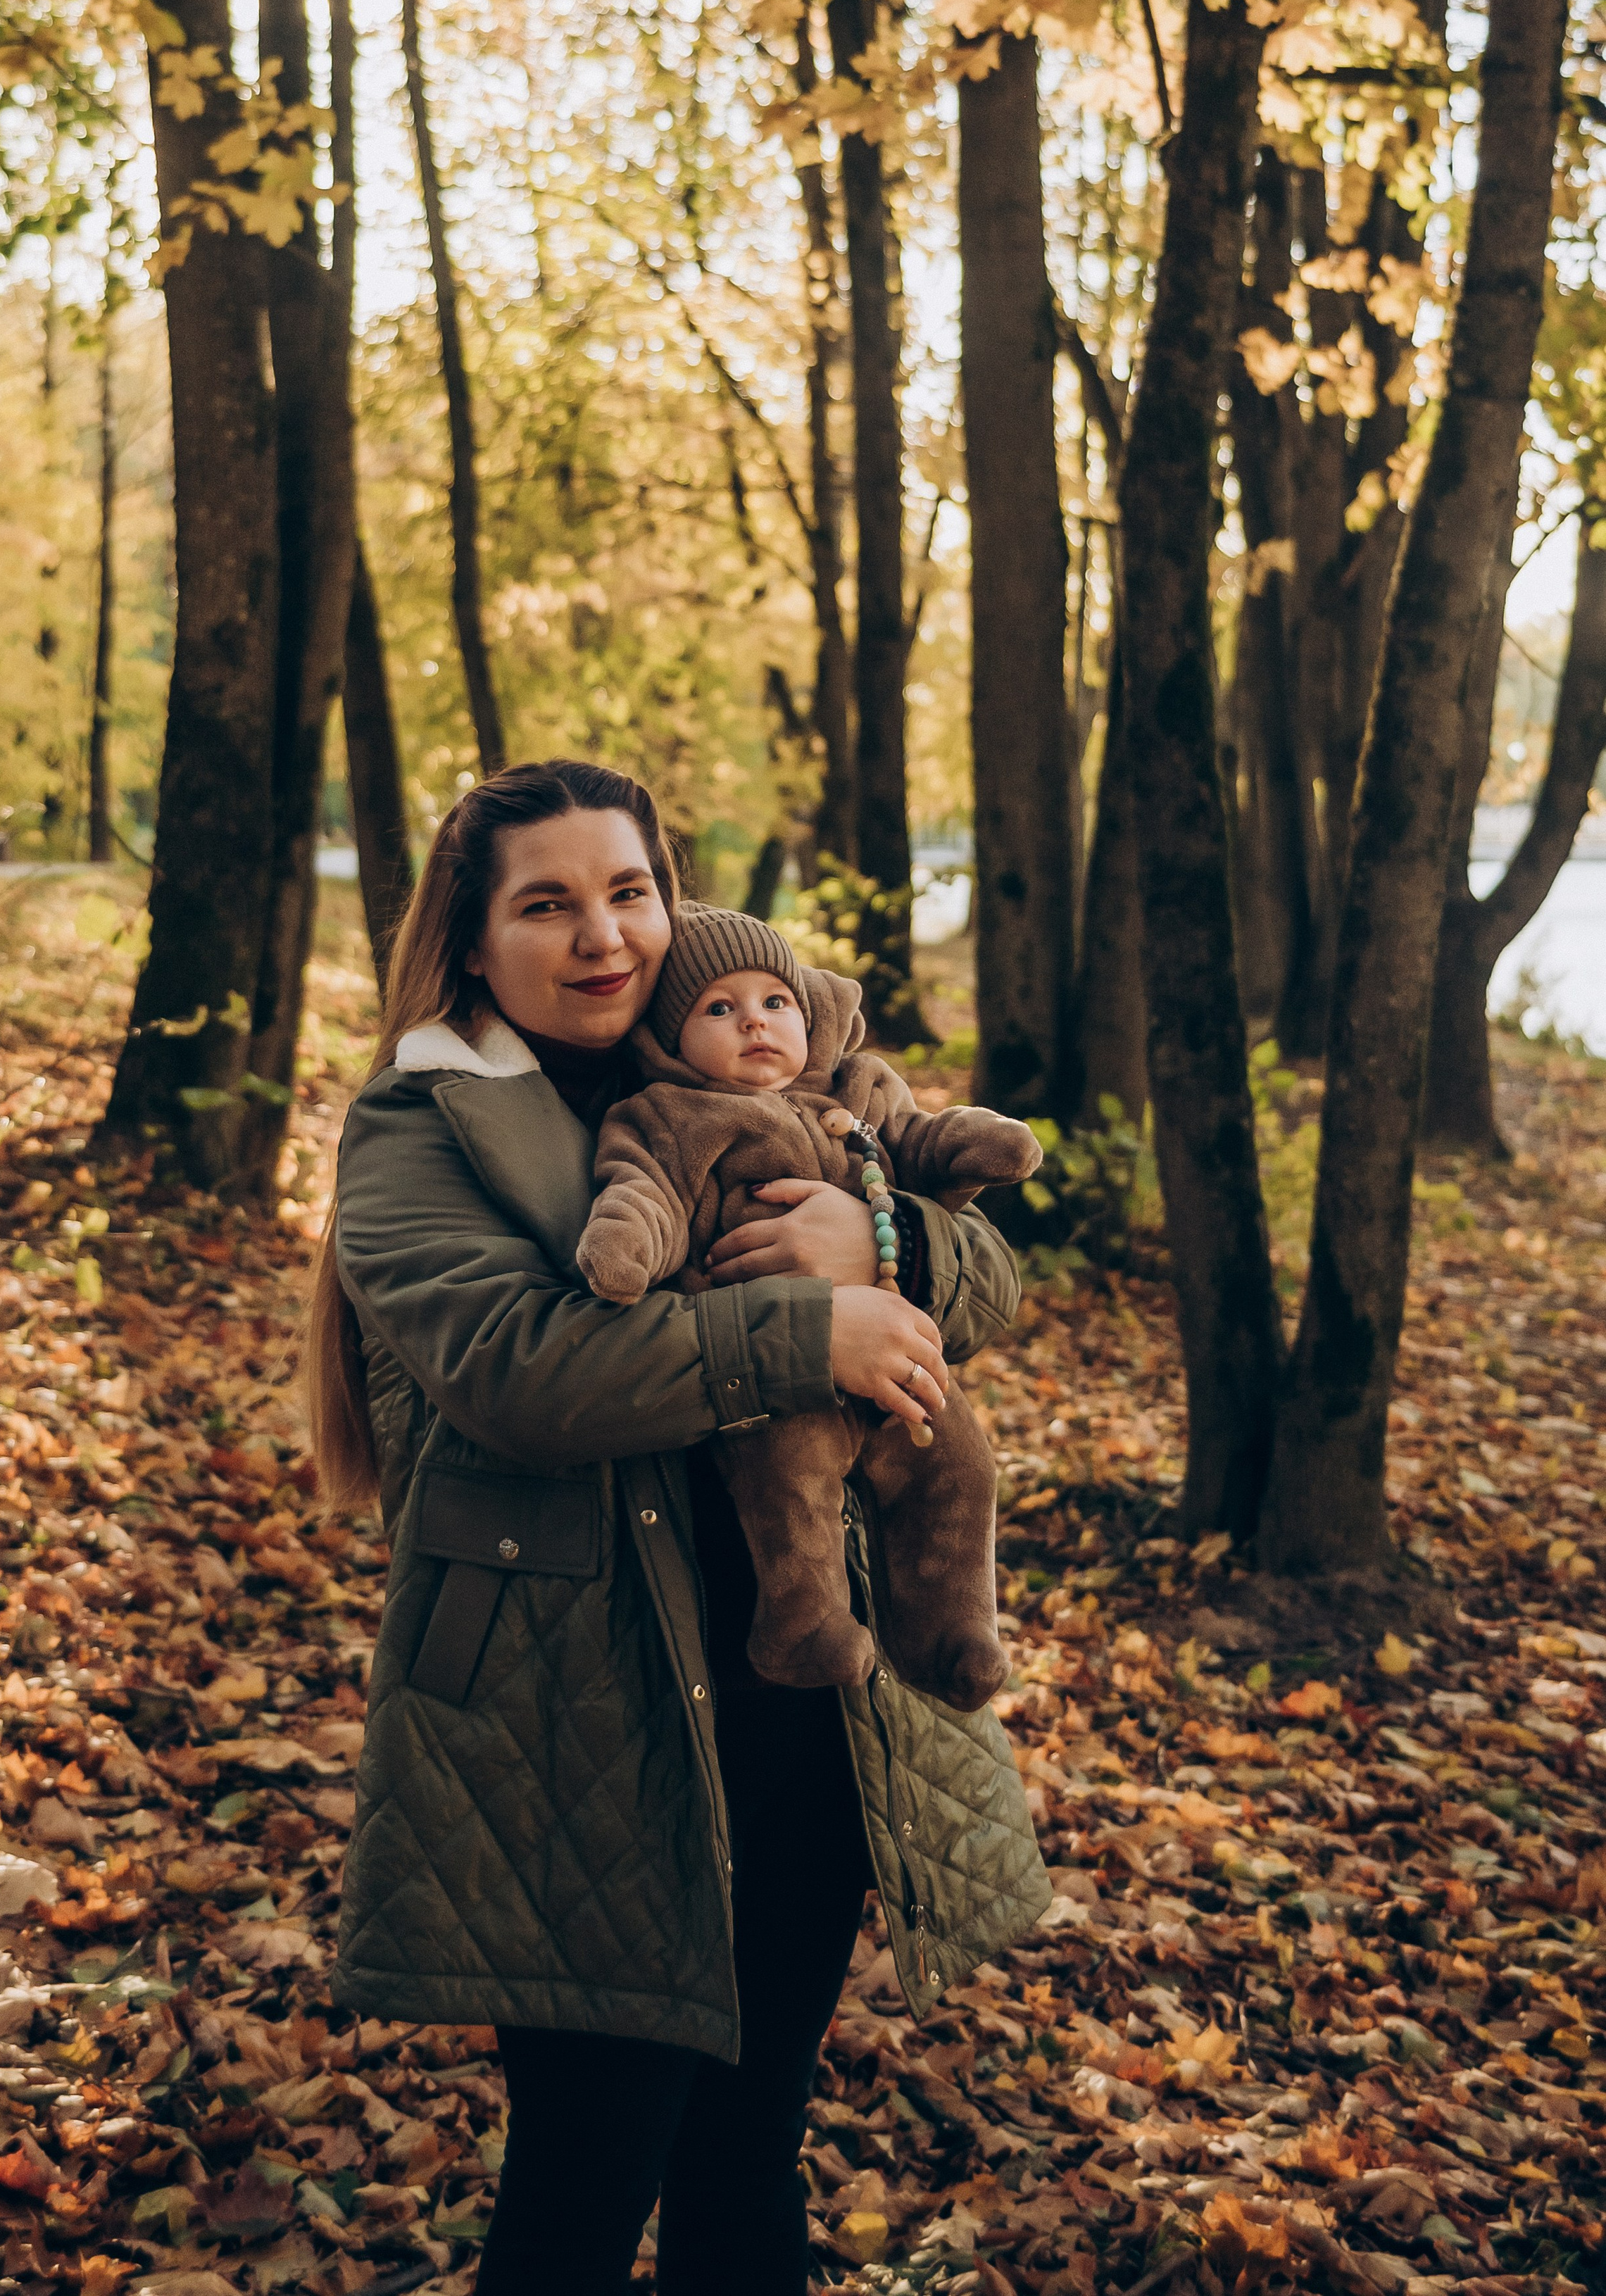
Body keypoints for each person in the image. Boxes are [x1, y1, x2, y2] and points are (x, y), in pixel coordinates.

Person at [310, 760, 1050, 2296]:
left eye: (628, 890)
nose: (602, 936)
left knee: (744, 2149)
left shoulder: (759, 1046)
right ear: (470, 941)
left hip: (804, 1704)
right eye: (548, 904)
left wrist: (882, 1238)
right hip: (574, 1724)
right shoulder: (421, 1124)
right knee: (588, 2173)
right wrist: (808, 1329)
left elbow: (990, 1277)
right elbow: (522, 1371)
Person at [576, 903, 1044, 1707]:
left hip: (893, 1341)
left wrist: (969, 1144)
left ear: (806, 1009)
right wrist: (629, 1244)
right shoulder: (668, 1116)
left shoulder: (858, 1085)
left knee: (958, 1467)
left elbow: (917, 1140)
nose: (754, 1023)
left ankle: (951, 1633)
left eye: (774, 1002)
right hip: (772, 1370)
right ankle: (801, 1624)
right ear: (667, 1039)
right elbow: (642, 1193)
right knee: (790, 1485)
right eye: (719, 1009)